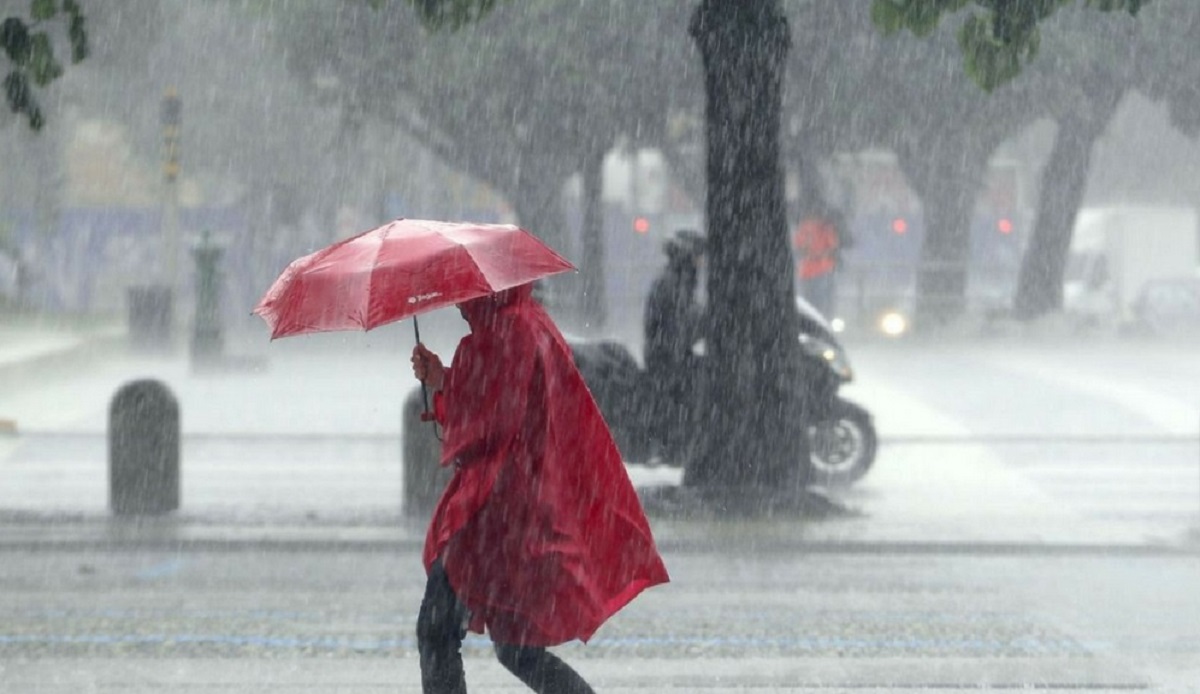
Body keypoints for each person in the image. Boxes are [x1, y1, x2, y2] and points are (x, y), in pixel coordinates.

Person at [410, 283, 669, 694]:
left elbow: (487, 424)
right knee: (516, 646)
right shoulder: (531, 323)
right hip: (526, 508)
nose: (457, 300)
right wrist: (444, 378)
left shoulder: (501, 334)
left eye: (464, 290)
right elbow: (504, 405)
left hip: (493, 515)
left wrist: (446, 386)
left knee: (438, 630)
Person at [642, 229, 706, 460]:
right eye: (699, 256)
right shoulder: (673, 283)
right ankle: (671, 450)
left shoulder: (677, 280)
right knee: (676, 403)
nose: (702, 262)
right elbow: (679, 324)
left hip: (669, 354)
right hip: (668, 358)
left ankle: (673, 447)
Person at [792, 206, 848, 318]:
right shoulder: (826, 228)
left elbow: (798, 248)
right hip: (823, 269)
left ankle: (810, 319)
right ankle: (824, 319)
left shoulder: (803, 228)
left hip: (807, 271)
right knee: (823, 300)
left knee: (809, 300)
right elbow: (833, 247)